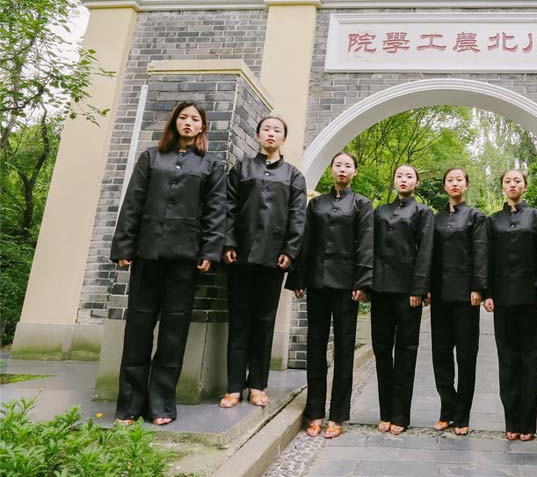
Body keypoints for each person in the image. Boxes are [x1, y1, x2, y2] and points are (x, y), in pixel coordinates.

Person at [110, 101, 226, 426]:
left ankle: (161, 403)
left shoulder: (211, 165)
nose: (188, 123)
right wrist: (124, 245)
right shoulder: (151, 157)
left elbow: (216, 211)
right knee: (138, 328)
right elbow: (133, 201)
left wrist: (209, 251)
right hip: (147, 254)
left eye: (195, 119)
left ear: (203, 127)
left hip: (185, 259)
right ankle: (129, 405)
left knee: (174, 332)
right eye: (183, 117)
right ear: (174, 122)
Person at [220, 116, 307, 409]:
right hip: (240, 255)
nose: (271, 134)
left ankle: (257, 384)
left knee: (264, 321)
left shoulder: (294, 176)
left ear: (284, 138)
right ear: (258, 135)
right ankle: (233, 386)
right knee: (239, 319)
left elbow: (298, 216)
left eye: (277, 130)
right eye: (266, 129)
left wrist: (290, 250)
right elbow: (228, 208)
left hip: (274, 259)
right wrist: (229, 242)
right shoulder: (242, 169)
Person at [285, 152, 373, 439]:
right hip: (318, 285)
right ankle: (314, 412)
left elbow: (366, 246)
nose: (342, 169)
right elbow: (305, 241)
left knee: (345, 349)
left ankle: (337, 415)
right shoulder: (317, 204)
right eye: (338, 165)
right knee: (315, 347)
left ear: (355, 172)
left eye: (348, 166)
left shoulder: (362, 204)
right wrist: (298, 277)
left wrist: (362, 282)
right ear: (332, 170)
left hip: (347, 286)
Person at [483, 169, 537, 442]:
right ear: (501, 187)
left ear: (525, 186)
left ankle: (528, 424)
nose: (512, 184)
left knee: (531, 360)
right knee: (507, 360)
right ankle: (511, 422)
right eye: (507, 181)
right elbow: (486, 258)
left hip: (532, 299)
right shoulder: (492, 221)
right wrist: (487, 292)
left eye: (517, 181)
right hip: (503, 300)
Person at [371, 165, 434, 435]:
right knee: (382, 350)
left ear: (416, 183)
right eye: (399, 175)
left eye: (409, 176)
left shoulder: (423, 213)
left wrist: (418, 290)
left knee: (406, 353)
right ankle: (385, 412)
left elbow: (426, 252)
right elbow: (370, 249)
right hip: (380, 291)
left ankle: (400, 416)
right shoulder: (380, 212)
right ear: (394, 180)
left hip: (408, 293)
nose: (404, 180)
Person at [429, 167, 488, 436]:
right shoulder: (436, 218)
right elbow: (430, 256)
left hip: (466, 297)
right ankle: (446, 409)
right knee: (441, 355)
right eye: (450, 180)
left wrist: (478, 287)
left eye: (459, 180)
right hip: (440, 296)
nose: (455, 184)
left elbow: (480, 252)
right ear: (444, 187)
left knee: (466, 356)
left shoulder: (476, 217)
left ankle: (462, 415)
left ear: (466, 185)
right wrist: (427, 288)